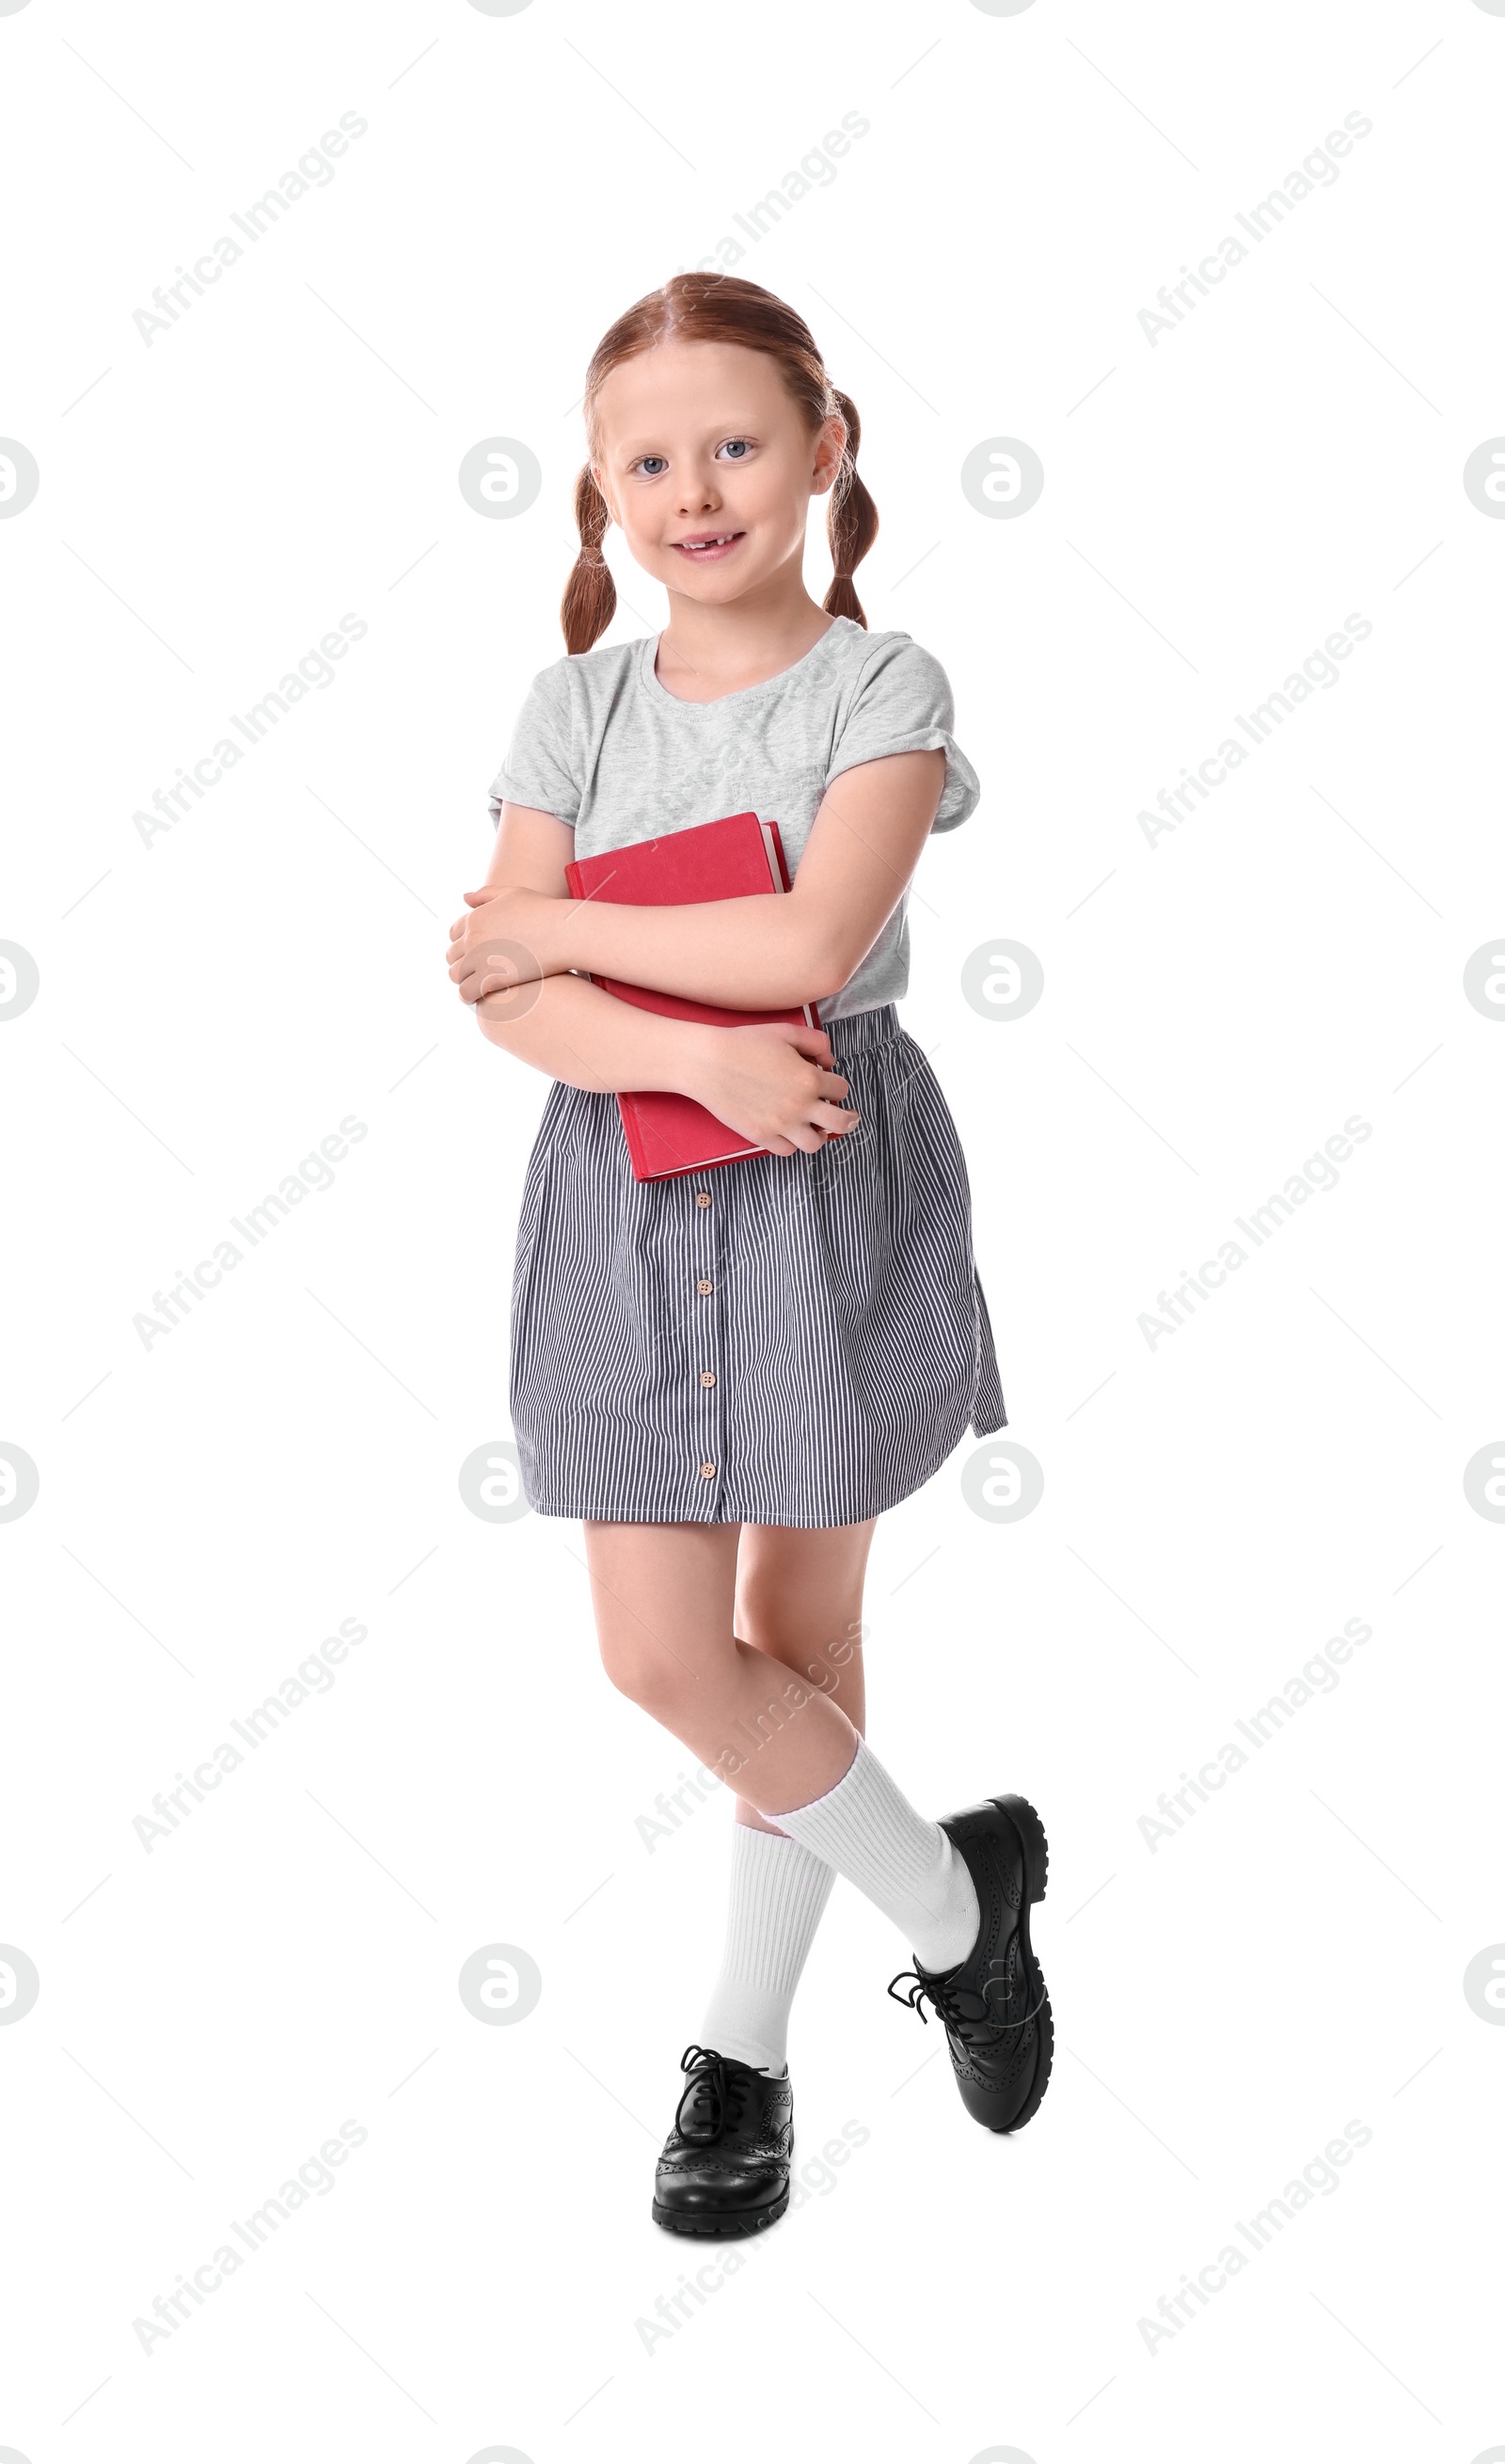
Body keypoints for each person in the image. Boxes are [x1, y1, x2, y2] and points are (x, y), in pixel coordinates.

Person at [446, 274, 1050, 2238]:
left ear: (821, 450)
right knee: (658, 1652)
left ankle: (739, 2052)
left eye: (732, 444)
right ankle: (960, 1910)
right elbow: (498, 992)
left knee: (794, 1645)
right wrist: (683, 1040)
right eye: (647, 458)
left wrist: (568, 940)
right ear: (600, 490)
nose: (690, 490)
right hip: (625, 1182)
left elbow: (808, 951)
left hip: (823, 1174)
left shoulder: (883, 690)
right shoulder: (573, 702)